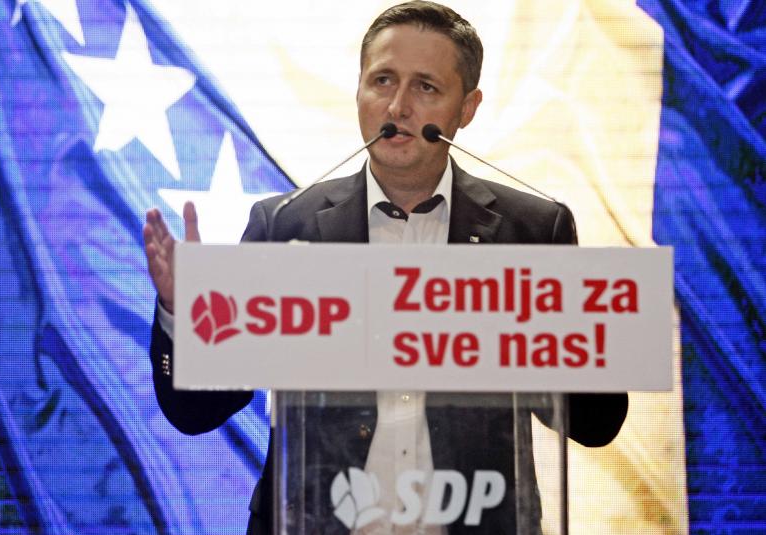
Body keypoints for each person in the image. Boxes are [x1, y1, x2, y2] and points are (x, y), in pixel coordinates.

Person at [143, 2, 628, 533]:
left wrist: (586, 326)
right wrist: (181, 315)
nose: (397, 106)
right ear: (358, 91)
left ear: (467, 108)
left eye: (426, 87)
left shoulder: (531, 230)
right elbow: (196, 413)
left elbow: (595, 424)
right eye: (382, 81)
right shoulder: (286, 224)